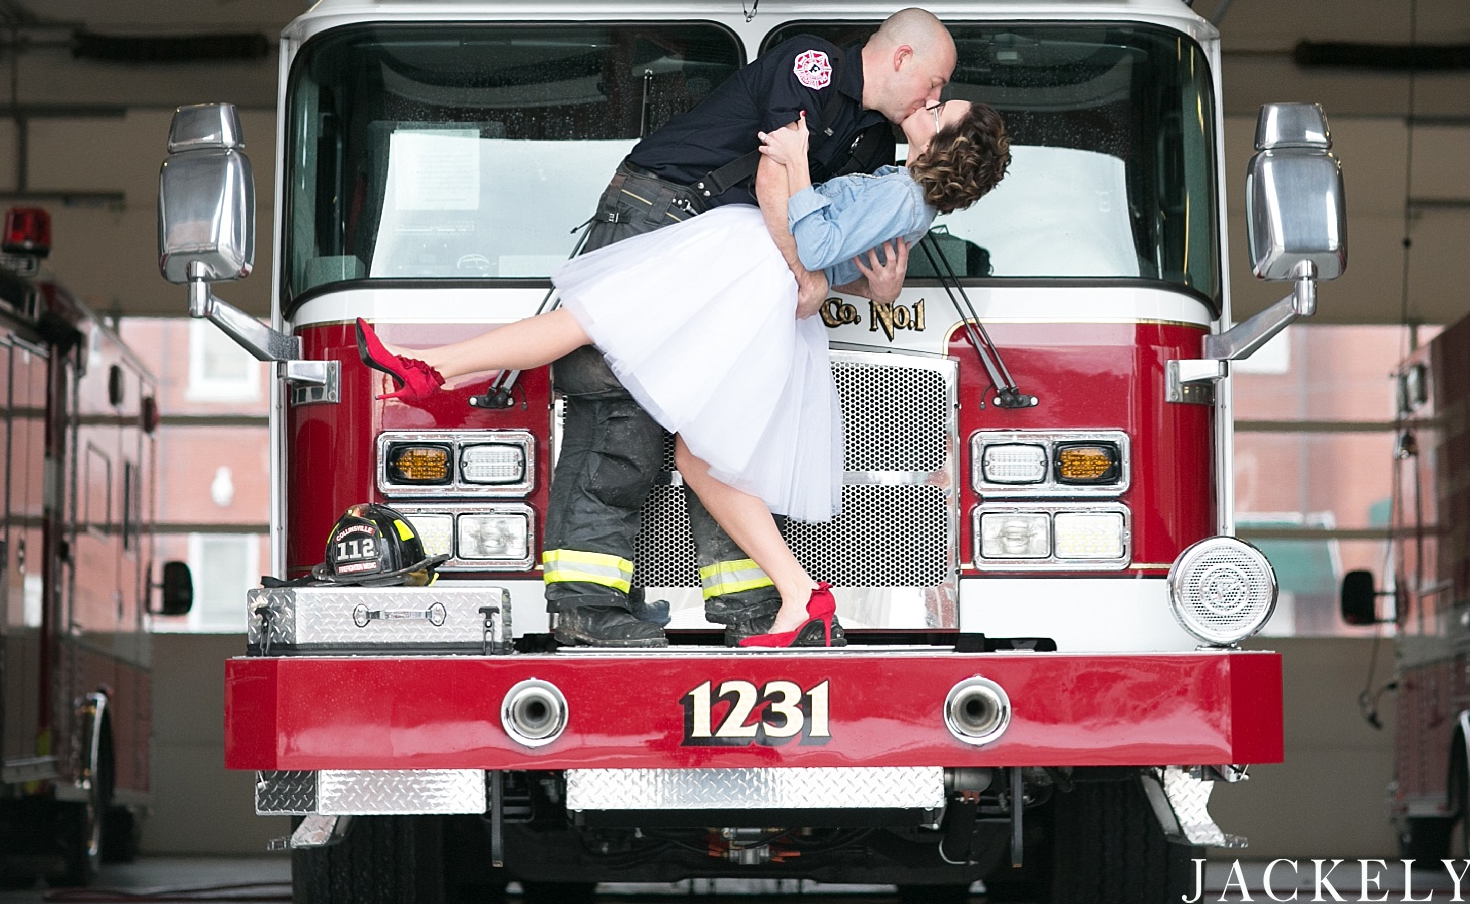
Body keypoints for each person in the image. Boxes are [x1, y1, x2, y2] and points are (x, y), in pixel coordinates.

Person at [359, 98, 1012, 645]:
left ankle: (431, 369)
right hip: (748, 274)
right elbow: (836, 262)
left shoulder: (902, 193)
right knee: (659, 403)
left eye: (938, 111)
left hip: (745, 269)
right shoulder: (909, 199)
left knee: (598, 328)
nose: (927, 104)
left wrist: (795, 161)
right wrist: (875, 291)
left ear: (946, 147)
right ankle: (800, 594)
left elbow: (812, 246)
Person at [463, 9, 960, 647]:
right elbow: (774, 180)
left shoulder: (874, 143)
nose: (934, 97)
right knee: (623, 417)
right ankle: (587, 607)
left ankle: (755, 608)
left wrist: (877, 286)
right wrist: (803, 275)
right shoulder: (813, 65)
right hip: (661, 216)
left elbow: (824, 237)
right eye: (936, 83)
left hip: (732, 262)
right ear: (901, 59)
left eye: (942, 101)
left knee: (732, 432)